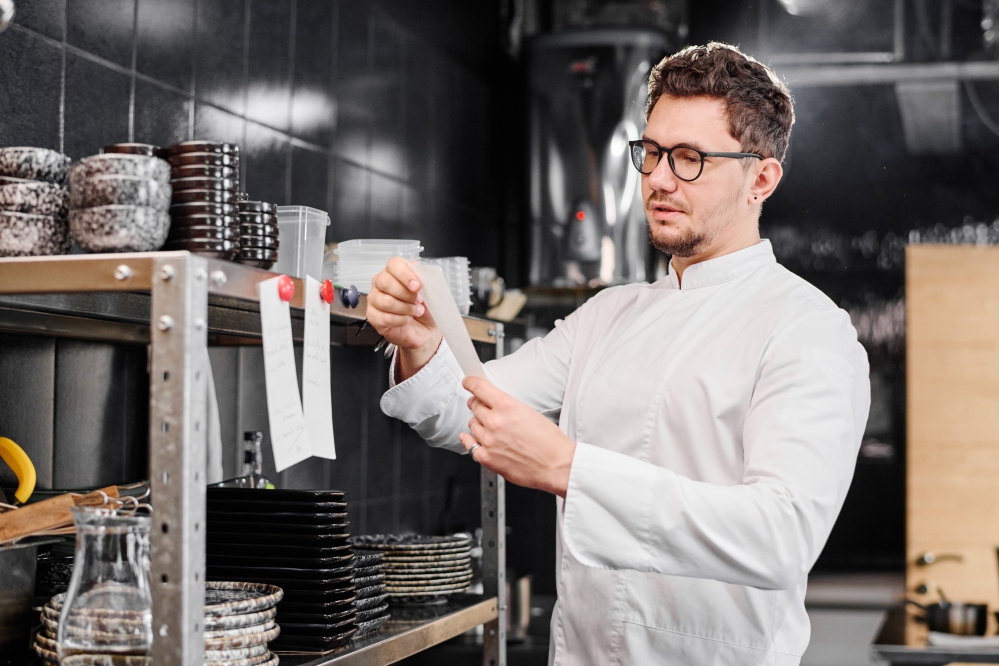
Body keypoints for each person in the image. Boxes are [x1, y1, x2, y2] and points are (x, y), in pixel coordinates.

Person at [368, 42, 870, 666]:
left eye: (690, 159)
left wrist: (569, 469)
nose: (658, 179)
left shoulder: (806, 329)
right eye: (653, 153)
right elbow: (463, 410)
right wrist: (421, 341)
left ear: (760, 179)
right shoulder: (608, 316)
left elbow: (781, 536)